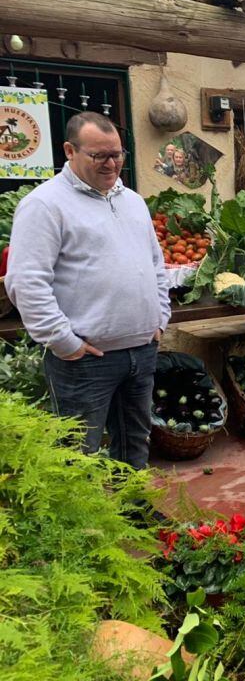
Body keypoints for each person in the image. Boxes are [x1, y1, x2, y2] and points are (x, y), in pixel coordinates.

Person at [5, 111, 169, 468]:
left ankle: (133, 513)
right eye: (100, 156)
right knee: (77, 455)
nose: (112, 164)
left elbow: (155, 266)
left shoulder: (133, 202)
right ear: (69, 150)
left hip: (141, 351)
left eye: (118, 155)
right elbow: (27, 282)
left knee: (135, 442)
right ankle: (81, 526)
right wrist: (66, 343)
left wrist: (160, 318)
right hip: (85, 361)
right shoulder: (44, 205)